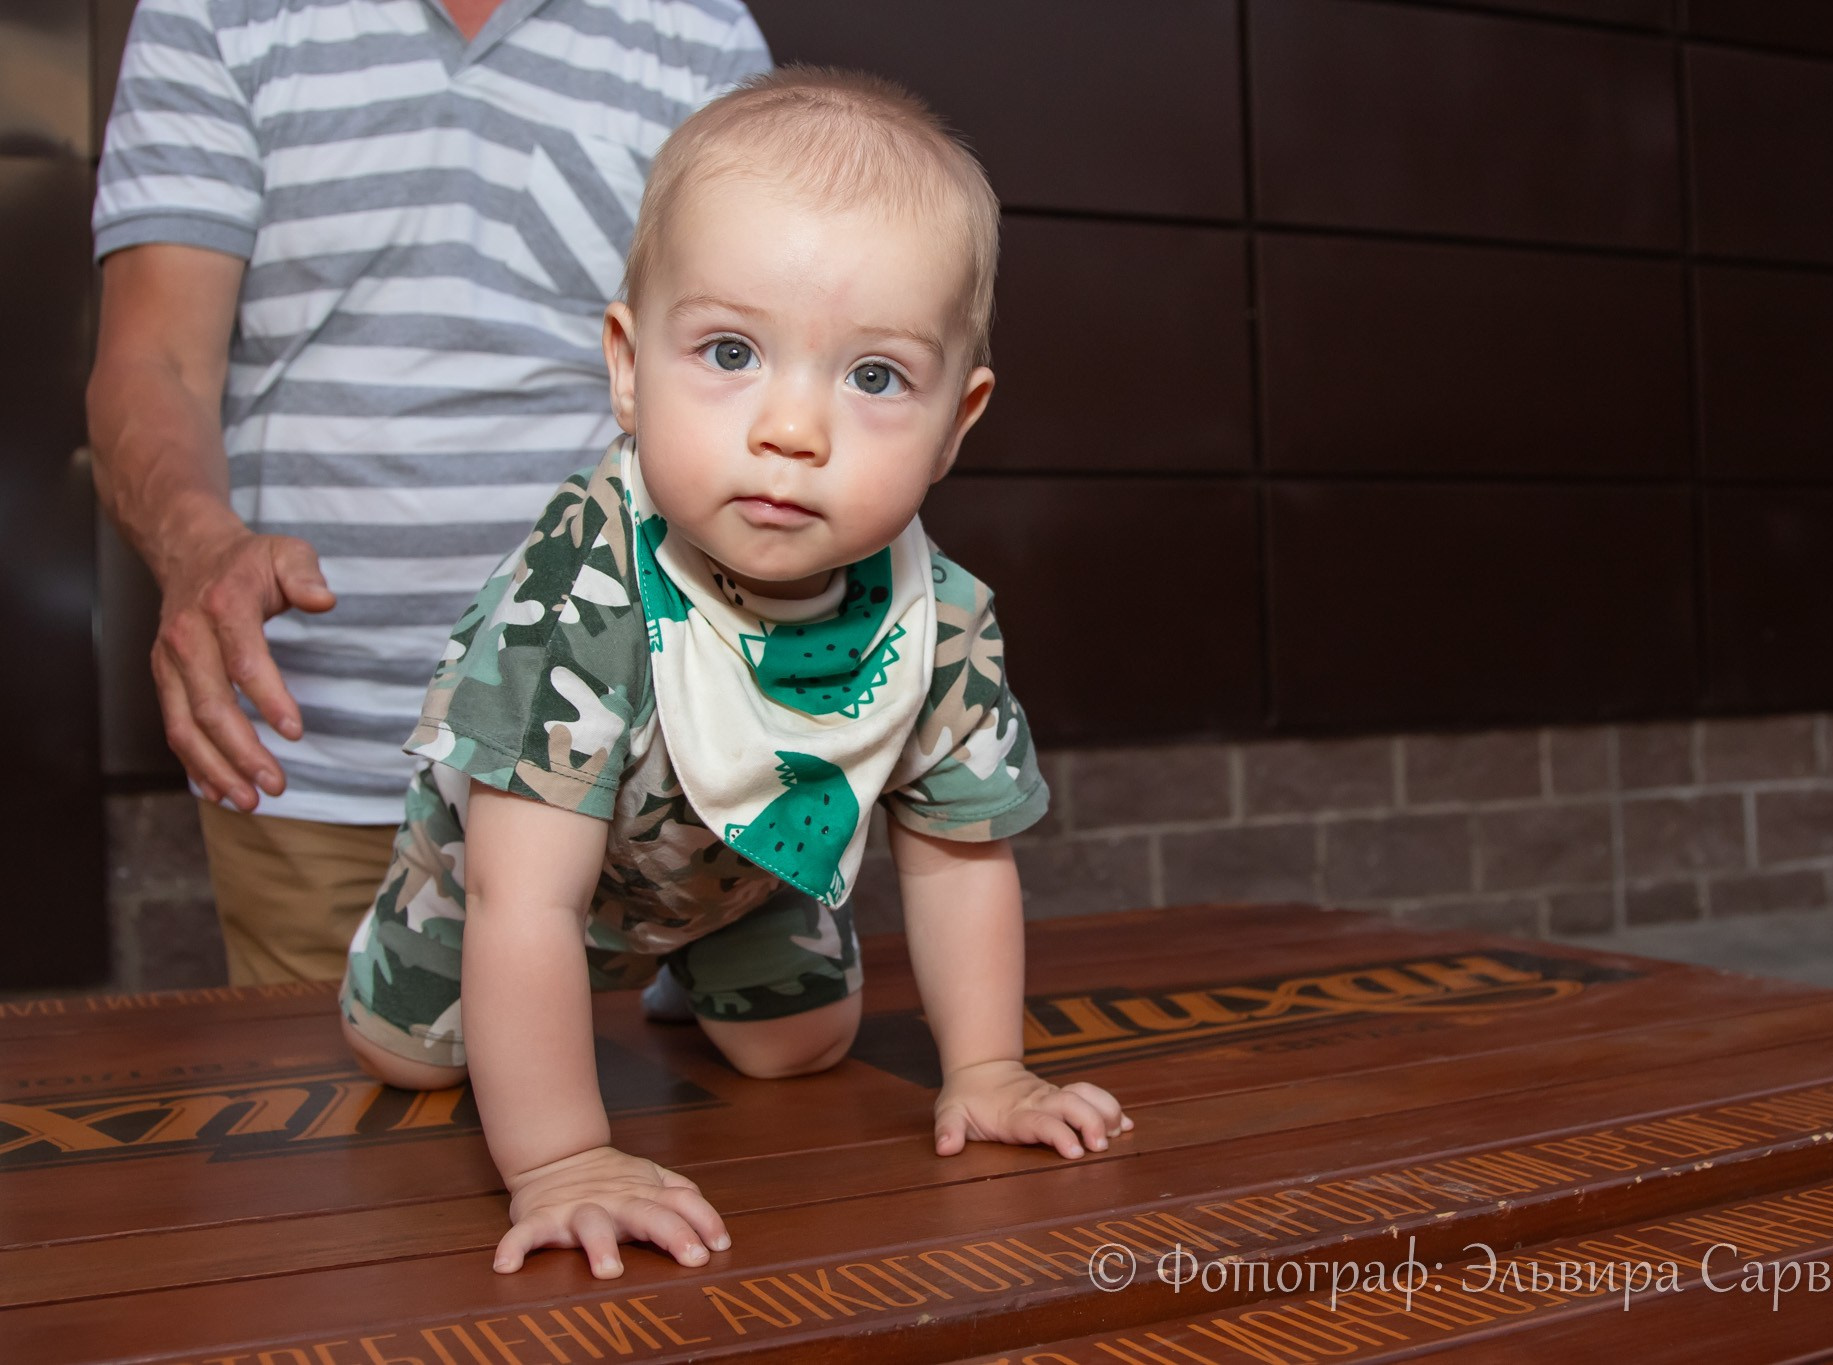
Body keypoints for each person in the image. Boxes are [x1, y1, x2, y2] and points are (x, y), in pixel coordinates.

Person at [341, 66, 1134, 1278]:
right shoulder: (578, 596)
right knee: (411, 1057)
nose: (791, 430)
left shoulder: (942, 621)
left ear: (955, 422)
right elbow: (527, 903)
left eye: (874, 378)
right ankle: (417, 958)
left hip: (737, 877)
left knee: (800, 1050)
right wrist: (561, 1162)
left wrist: (985, 1071)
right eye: (728, 351)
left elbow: (961, 852)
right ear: (626, 363)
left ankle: (700, 963)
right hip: (503, 888)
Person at [85, 0, 772, 985]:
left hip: (627, 757)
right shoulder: (212, 11)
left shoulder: (695, 30)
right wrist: (197, 546)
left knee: (657, 1117)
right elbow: (151, 359)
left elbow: (762, 364)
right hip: (308, 752)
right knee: (329, 1124)